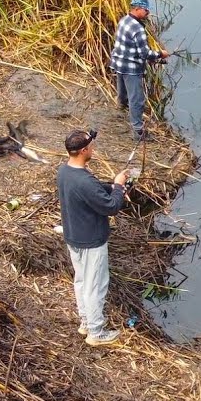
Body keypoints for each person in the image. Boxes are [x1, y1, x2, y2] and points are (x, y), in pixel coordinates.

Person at [57, 129, 131, 346]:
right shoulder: (84, 181)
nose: (93, 149)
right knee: (96, 285)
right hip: (91, 242)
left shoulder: (64, 172)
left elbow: (93, 190)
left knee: (81, 281)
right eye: (91, 146)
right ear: (83, 150)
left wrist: (111, 187)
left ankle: (86, 323)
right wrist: (118, 186)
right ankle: (96, 333)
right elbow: (111, 207)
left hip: (74, 237)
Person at [110, 0, 169, 141]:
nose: (148, 13)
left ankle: (121, 106)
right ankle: (138, 132)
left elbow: (130, 47)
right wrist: (160, 54)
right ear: (137, 9)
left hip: (119, 62)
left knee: (122, 87)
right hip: (131, 68)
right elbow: (144, 53)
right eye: (146, 10)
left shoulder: (124, 20)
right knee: (137, 99)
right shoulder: (138, 29)